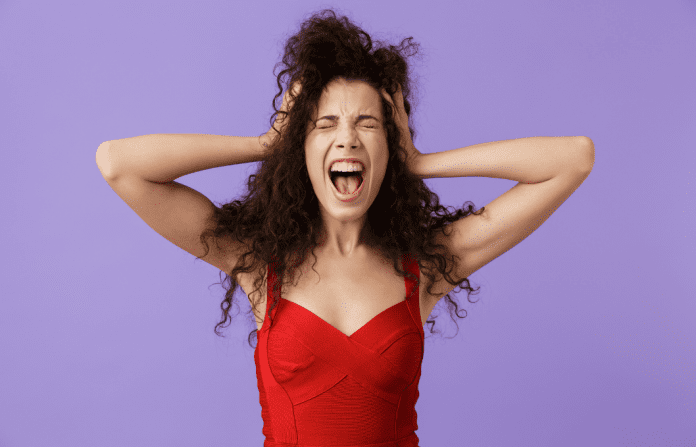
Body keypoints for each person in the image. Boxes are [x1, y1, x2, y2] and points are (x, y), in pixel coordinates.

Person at [95, 8, 593, 447]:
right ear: (302, 147)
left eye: (368, 124)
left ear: (388, 144)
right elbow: (120, 164)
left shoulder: (427, 265)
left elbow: (572, 159)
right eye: (325, 124)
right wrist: (267, 142)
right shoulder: (256, 260)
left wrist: (419, 161)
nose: (347, 139)